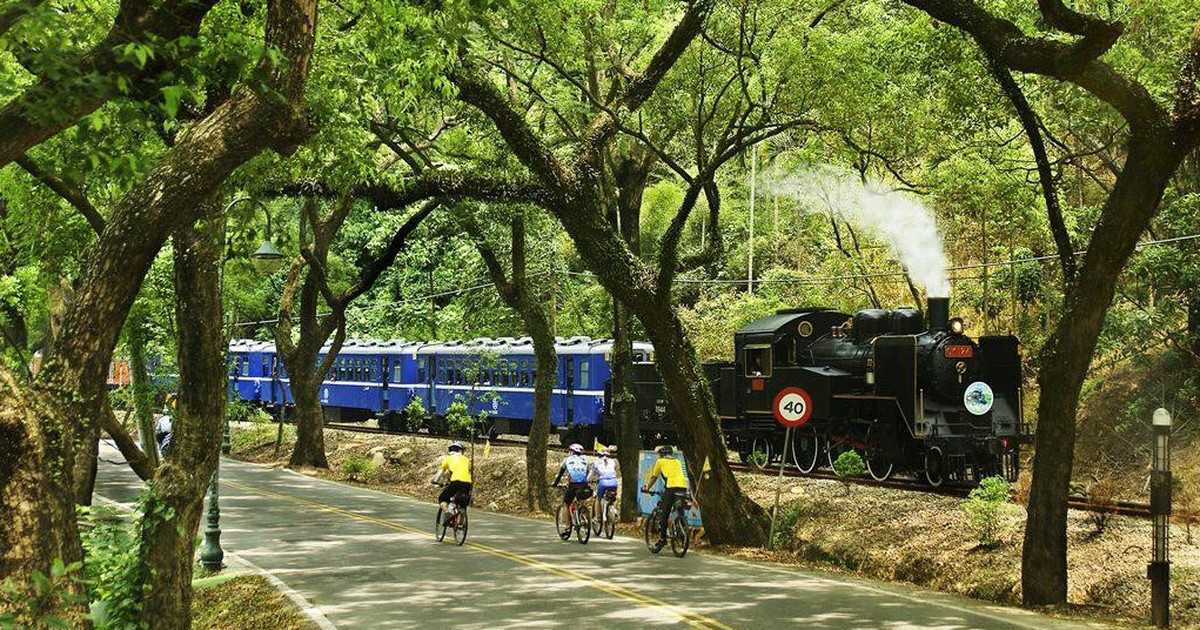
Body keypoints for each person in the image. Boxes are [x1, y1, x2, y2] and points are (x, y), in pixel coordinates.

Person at [641, 444, 689, 552]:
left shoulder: (660, 461)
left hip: (671, 487)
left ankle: (663, 539)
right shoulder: (677, 461)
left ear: (661, 455)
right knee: (679, 509)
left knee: (664, 514)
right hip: (682, 487)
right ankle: (681, 531)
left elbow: (654, 477)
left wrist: (647, 487)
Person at [551, 443, 592, 533]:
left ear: (571, 451)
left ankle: (567, 526)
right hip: (584, 485)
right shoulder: (585, 460)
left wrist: (555, 483)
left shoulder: (567, 460)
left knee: (566, 504)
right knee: (580, 502)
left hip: (573, 485)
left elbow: (561, 474)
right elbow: (585, 474)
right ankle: (583, 517)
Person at [433, 442, 473, 525]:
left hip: (456, 481)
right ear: (460, 451)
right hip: (468, 483)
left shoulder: (448, 458)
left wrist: (436, 481)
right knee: (462, 500)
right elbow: (465, 471)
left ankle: (447, 514)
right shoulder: (466, 459)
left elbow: (441, 472)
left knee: (442, 498)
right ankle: (460, 521)